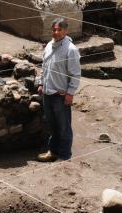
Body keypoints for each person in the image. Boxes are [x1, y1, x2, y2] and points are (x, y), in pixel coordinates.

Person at [36, 18, 81, 162]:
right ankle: (53, 152)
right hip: (48, 93)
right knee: (52, 125)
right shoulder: (49, 45)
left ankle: (65, 156)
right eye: (54, 30)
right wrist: (41, 84)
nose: (56, 32)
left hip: (61, 95)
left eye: (59, 29)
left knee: (64, 127)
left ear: (65, 30)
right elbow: (44, 67)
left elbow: (75, 74)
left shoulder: (71, 49)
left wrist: (70, 93)